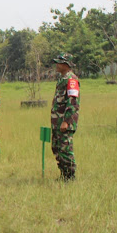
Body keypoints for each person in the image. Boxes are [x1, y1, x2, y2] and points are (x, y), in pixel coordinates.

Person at [51, 53, 80, 181]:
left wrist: (67, 121)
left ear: (66, 64)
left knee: (65, 148)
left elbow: (73, 102)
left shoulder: (71, 79)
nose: (57, 64)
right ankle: (63, 174)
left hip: (64, 121)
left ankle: (70, 176)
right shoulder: (62, 79)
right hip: (57, 121)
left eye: (60, 62)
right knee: (57, 147)